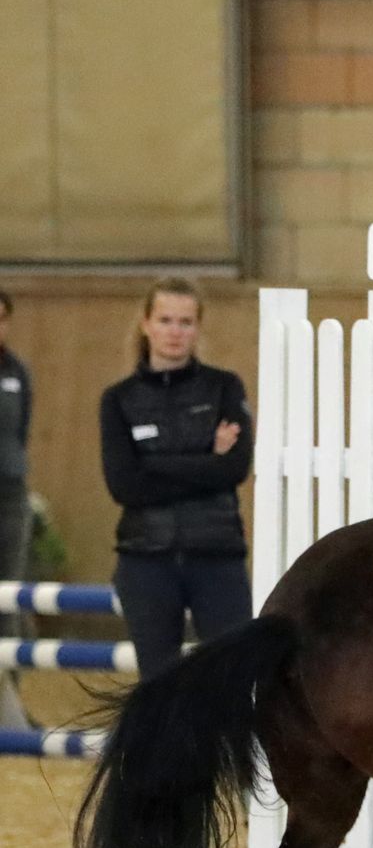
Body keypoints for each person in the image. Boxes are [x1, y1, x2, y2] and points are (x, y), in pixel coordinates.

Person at [99, 278, 254, 678]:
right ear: (146, 324)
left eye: (185, 322)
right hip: (145, 559)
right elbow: (125, 486)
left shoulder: (224, 387)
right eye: (165, 320)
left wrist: (154, 463)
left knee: (231, 675)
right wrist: (206, 460)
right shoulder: (118, 400)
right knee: (158, 682)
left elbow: (234, 468)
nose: (175, 331)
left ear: (198, 327)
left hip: (217, 554)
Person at [0, 290, 32, 726]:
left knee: (8, 600)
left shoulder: (17, 372)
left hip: (9, 495)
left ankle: (8, 707)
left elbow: (21, 432)